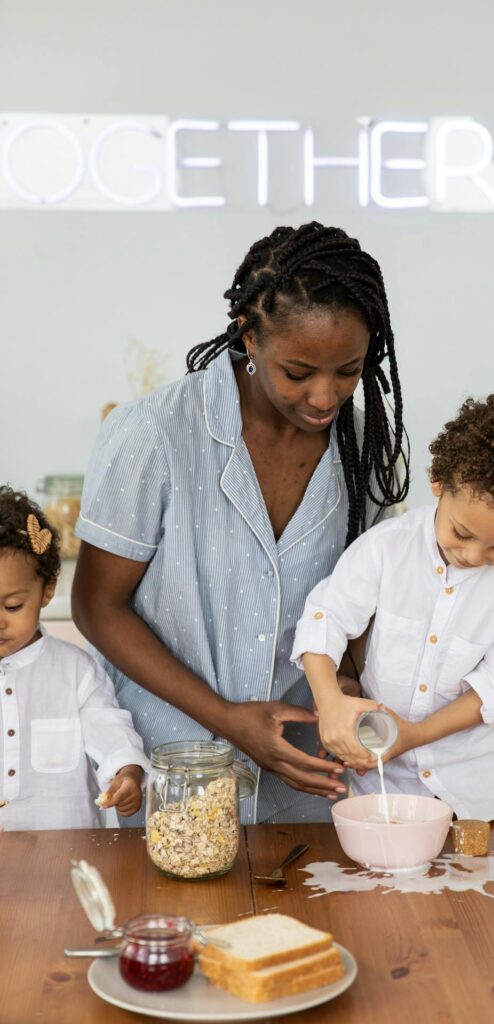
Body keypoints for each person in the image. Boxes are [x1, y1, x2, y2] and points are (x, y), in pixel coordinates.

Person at [72, 221, 409, 825]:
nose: (325, 398)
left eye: (349, 370)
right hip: (170, 769)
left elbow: (369, 598)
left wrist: (350, 689)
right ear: (248, 338)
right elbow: (98, 607)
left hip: (309, 777)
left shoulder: (366, 450)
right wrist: (228, 720)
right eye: (299, 372)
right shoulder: (154, 436)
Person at [292, 389, 494, 822]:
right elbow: (325, 619)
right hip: (383, 784)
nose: (473, 556)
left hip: (478, 795)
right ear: (438, 481)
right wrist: (330, 701)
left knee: (475, 887)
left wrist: (415, 735)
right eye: (463, 533)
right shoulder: (385, 549)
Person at [0, 486, 148, 830]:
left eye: (12, 606)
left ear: (47, 590)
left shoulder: (75, 670)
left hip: (68, 858)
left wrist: (127, 772)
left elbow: (111, 732)